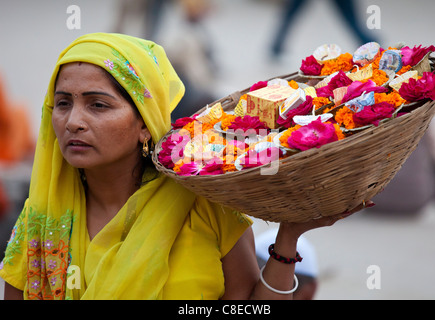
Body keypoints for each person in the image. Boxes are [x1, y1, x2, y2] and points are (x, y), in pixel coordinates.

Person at [0, 33, 369, 300]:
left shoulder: (205, 203)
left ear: (145, 121)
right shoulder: (41, 220)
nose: (73, 122)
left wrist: (287, 238)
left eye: (98, 105)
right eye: (63, 104)